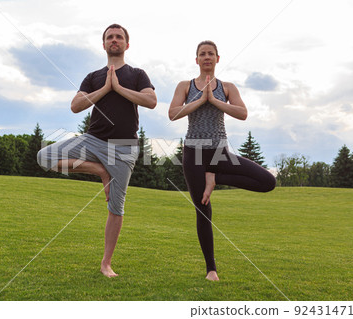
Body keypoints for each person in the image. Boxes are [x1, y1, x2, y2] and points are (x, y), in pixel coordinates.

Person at [37, 24, 156, 277]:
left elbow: (151, 101)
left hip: (124, 147)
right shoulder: (93, 77)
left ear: (127, 44)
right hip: (92, 140)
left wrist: (119, 88)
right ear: (103, 45)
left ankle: (106, 263)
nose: (114, 40)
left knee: (116, 206)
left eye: (119, 37)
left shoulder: (138, 74)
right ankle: (100, 171)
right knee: (44, 156)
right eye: (110, 37)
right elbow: (75, 106)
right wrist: (105, 88)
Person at [168, 40, 275, 281]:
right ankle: (211, 270)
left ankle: (214, 176)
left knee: (267, 181)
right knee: (203, 209)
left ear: (218, 59)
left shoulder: (227, 87)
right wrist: (200, 99)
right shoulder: (185, 86)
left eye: (211, 54)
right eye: (202, 54)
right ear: (196, 60)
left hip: (220, 152)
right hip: (194, 152)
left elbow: (243, 113)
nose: (207, 57)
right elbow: (173, 113)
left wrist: (214, 100)